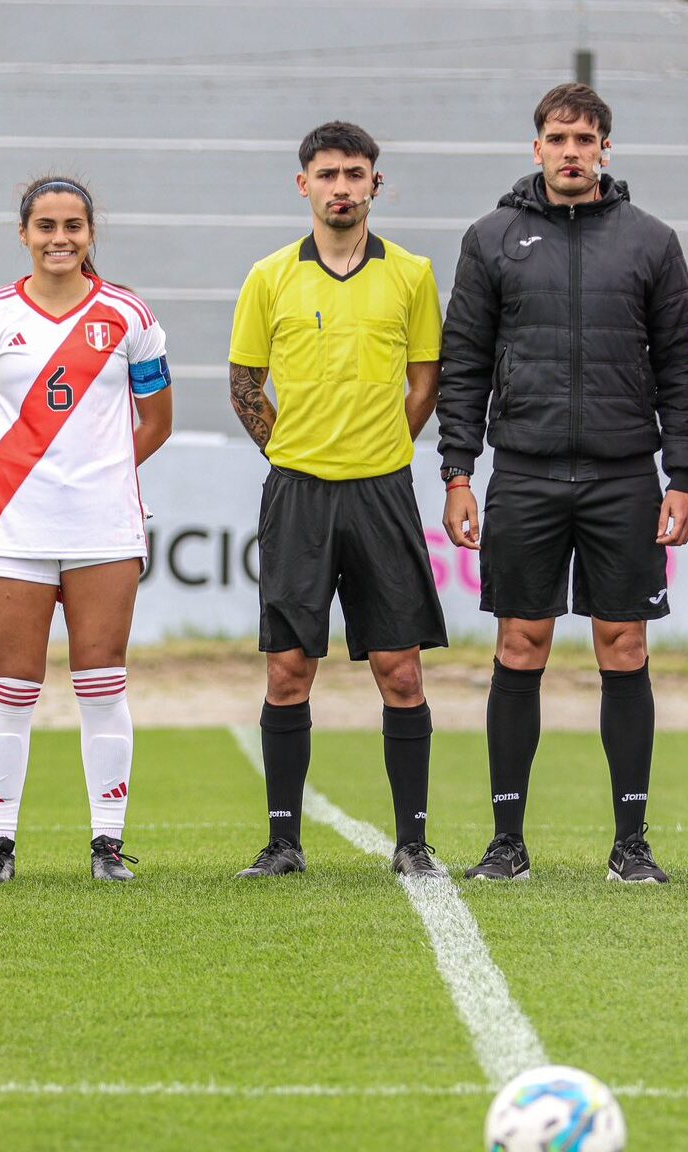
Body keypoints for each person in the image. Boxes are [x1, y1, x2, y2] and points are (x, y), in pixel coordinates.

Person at [437, 82, 688, 884]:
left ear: (605, 151)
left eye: (585, 140)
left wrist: (683, 475)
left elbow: (680, 372)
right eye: (558, 138)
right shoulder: (490, 239)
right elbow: (464, 367)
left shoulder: (651, 242)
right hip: (524, 471)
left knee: (623, 647)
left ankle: (631, 846)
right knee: (521, 645)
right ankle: (507, 844)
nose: (571, 152)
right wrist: (458, 472)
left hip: (624, 474)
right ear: (537, 148)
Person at [226, 121, 449, 880]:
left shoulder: (413, 274)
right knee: (288, 668)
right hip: (298, 495)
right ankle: (284, 843)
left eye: (356, 173)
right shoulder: (269, 277)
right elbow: (244, 384)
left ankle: (412, 841)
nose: (342, 187)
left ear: (375, 185)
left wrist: (387, 443)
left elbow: (427, 376)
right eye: (328, 174)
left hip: (383, 493)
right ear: (304, 186)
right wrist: (294, 453)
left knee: (400, 668)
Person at [0, 175, 173, 884]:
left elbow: (157, 423)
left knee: (101, 684)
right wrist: (18, 476)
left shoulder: (130, 315)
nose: (59, 238)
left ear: (91, 232)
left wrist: (101, 476)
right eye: (45, 225)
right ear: (23, 234)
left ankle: (107, 845)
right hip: (15, 531)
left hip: (104, 529)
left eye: (73, 225)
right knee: (12, 687)